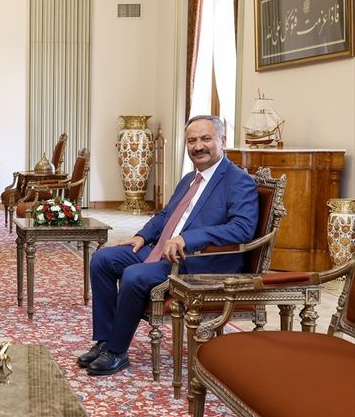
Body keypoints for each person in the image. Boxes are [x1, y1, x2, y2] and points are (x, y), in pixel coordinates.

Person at [78, 115, 258, 376]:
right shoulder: (189, 179)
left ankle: (117, 351)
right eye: (192, 141)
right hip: (162, 250)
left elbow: (242, 228)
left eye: (206, 139)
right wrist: (142, 236)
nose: (198, 146)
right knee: (102, 259)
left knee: (134, 275)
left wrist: (188, 238)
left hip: (197, 260)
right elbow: (165, 215)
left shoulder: (238, 180)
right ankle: (105, 340)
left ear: (223, 140)